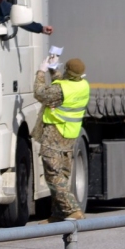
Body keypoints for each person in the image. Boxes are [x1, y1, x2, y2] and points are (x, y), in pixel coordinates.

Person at [33, 55, 90, 222]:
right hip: (70, 133)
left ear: (67, 71)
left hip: (55, 133)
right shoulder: (83, 85)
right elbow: (63, 83)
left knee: (53, 174)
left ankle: (73, 210)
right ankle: (59, 213)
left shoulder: (60, 89)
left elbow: (39, 93)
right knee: (62, 173)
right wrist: (53, 69)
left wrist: (41, 71)